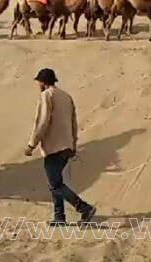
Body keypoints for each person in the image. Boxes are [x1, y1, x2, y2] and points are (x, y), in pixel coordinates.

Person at [25, 68, 96, 226]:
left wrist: (31, 144)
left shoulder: (47, 95)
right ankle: (59, 217)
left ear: (43, 82)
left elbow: (42, 122)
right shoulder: (66, 96)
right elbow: (74, 123)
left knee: (55, 184)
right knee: (56, 182)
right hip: (67, 146)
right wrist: (73, 144)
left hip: (54, 146)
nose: (38, 85)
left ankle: (84, 208)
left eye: (39, 82)